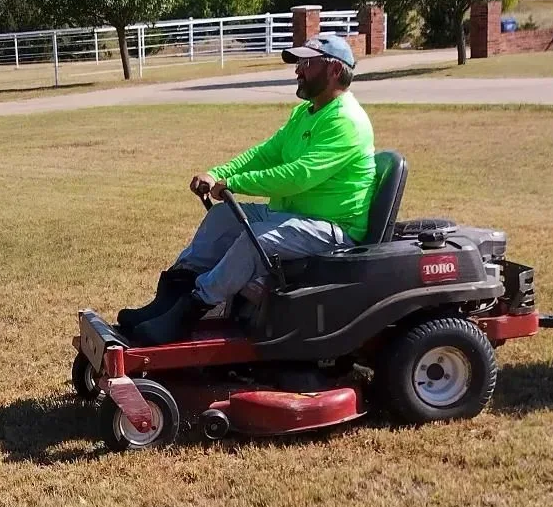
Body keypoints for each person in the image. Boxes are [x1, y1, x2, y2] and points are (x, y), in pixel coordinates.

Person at [119, 34, 376, 344]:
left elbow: (299, 176)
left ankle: (190, 311)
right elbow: (266, 153)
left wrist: (235, 183)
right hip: (295, 215)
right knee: (223, 217)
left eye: (306, 64)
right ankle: (167, 302)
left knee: (258, 241)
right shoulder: (306, 113)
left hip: (332, 228)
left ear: (335, 70)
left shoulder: (346, 121)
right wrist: (218, 173)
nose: (298, 71)